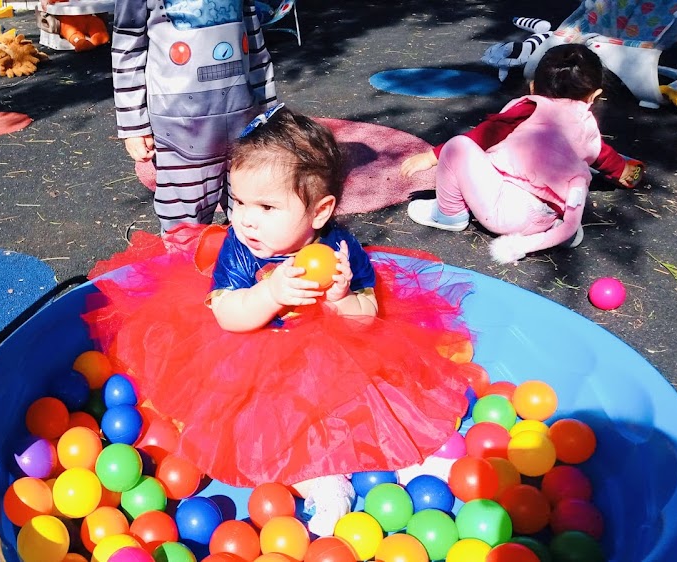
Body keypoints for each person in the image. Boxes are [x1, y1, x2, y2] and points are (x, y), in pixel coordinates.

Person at [83, 106, 472, 536]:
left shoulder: (340, 248)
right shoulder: (239, 247)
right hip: (256, 354)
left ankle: (409, 456)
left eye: (267, 206)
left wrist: (341, 299)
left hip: (335, 353)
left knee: (373, 394)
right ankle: (321, 482)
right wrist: (269, 295)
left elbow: (367, 320)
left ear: (320, 212)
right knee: (273, 422)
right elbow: (227, 314)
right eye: (239, 201)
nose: (246, 218)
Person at [401, 44, 645, 264]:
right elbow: (605, 157)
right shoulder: (587, 127)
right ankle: (554, 233)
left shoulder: (529, 109)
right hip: (549, 216)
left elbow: (483, 136)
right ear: (594, 96)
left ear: (532, 86)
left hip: (506, 214)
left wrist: (432, 156)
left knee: (458, 147)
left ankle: (449, 214)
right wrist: (628, 173)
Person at [111, 0, 277, 232]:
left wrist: (269, 109)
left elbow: (254, 37)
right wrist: (134, 124)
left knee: (253, 213)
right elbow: (128, 49)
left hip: (244, 120)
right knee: (184, 223)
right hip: (180, 129)